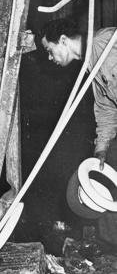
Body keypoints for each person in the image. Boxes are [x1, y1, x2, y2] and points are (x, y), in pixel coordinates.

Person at [40, 19, 117, 168]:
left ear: (63, 40)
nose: (49, 57)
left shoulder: (105, 42)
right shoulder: (91, 65)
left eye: (49, 50)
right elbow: (106, 108)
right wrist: (101, 149)